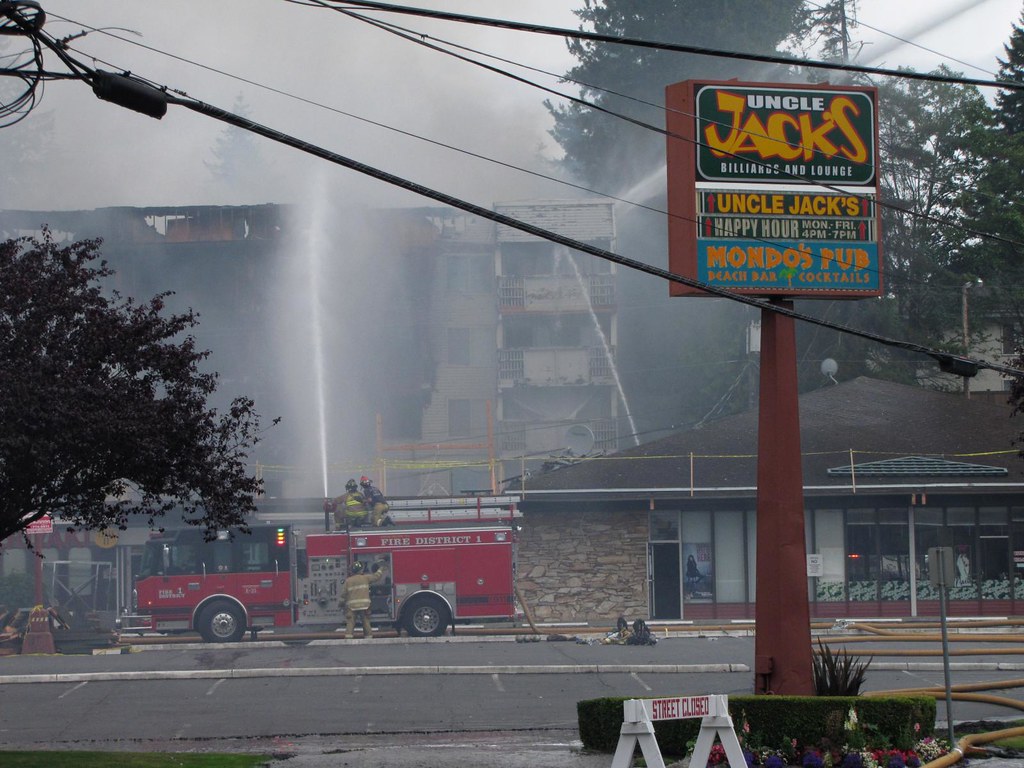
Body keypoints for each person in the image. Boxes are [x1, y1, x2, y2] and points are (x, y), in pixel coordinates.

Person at [341, 560, 386, 639]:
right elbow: (376, 577)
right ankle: (368, 638)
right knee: (366, 622)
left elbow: (343, 595)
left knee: (350, 623)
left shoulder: (348, 581)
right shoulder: (366, 578)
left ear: (352, 571)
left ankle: (348, 638)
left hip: (352, 607)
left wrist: (340, 604)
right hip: (365, 606)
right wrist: (380, 569)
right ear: (361, 570)